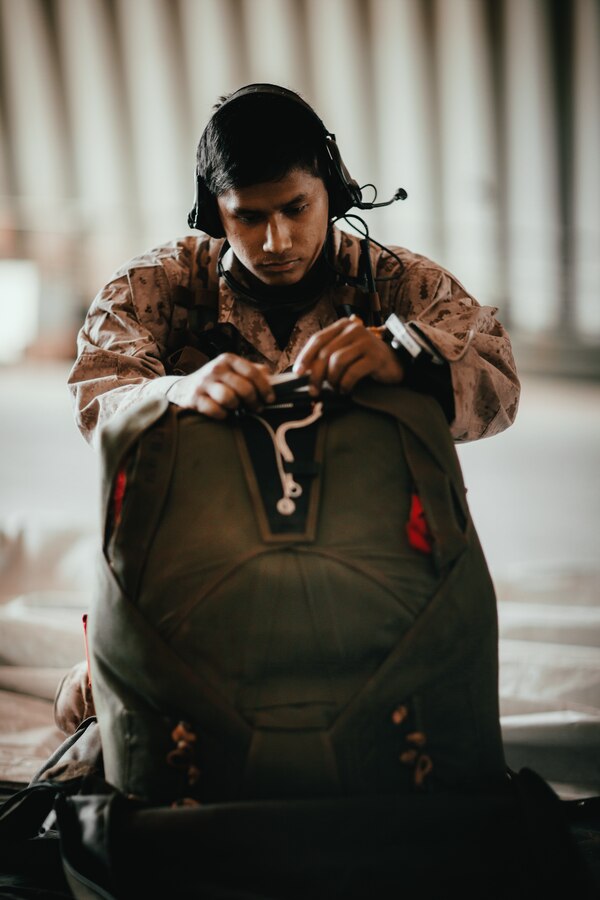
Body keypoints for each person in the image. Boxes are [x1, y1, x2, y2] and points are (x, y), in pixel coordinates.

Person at [55, 82, 520, 734]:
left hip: (364, 564)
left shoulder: (397, 283)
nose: (277, 240)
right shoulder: (152, 286)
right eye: (248, 216)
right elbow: (97, 395)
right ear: (214, 212)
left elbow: (499, 382)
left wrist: (408, 362)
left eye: (297, 207)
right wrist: (175, 394)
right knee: (94, 714)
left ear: (332, 189)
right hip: (205, 570)